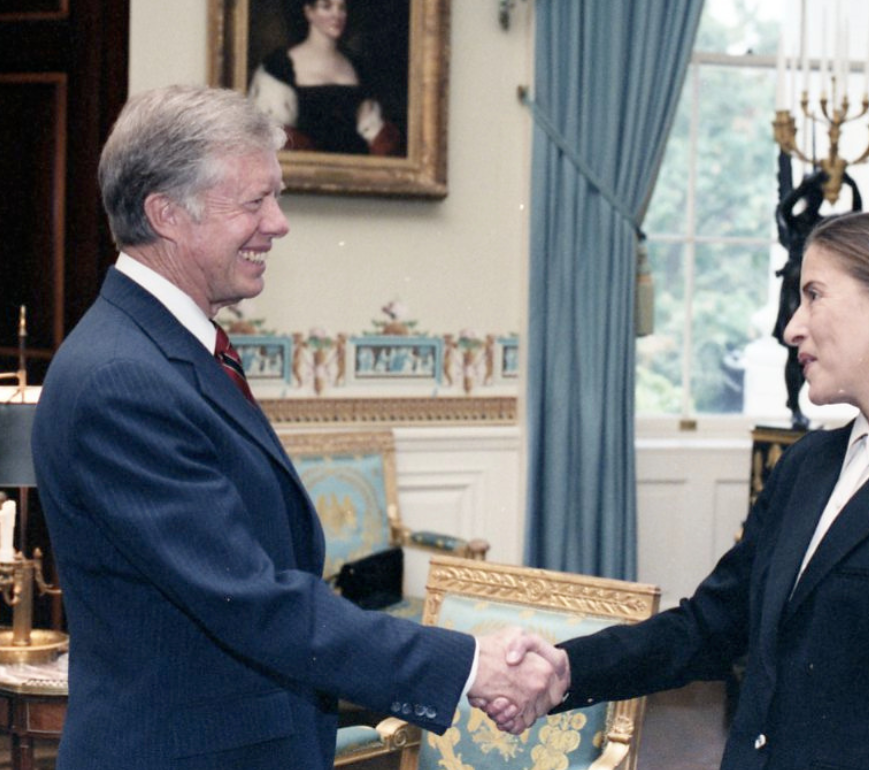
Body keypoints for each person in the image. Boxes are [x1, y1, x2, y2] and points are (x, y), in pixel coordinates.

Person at [30, 85, 564, 770]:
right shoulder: (122, 380)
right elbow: (251, 600)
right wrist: (466, 664)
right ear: (166, 214)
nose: (278, 224)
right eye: (255, 202)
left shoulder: (166, 350)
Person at [486, 212, 869, 769]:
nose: (791, 328)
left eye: (814, 295)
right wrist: (566, 669)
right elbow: (710, 626)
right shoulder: (809, 463)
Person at [248, 0, 402, 155]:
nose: (337, 15)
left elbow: (374, 133)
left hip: (356, 171)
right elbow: (269, 136)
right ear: (309, 12)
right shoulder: (280, 66)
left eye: (342, 8)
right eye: (327, 7)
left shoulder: (358, 66)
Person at [772, 169, 861, 429]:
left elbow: (856, 215)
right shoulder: (794, 224)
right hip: (792, 287)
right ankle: (795, 406)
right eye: (815, 196)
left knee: (811, 347)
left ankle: (798, 403)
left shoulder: (823, 227)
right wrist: (803, 186)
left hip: (813, 291)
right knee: (794, 350)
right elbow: (782, 210)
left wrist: (848, 181)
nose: (819, 201)